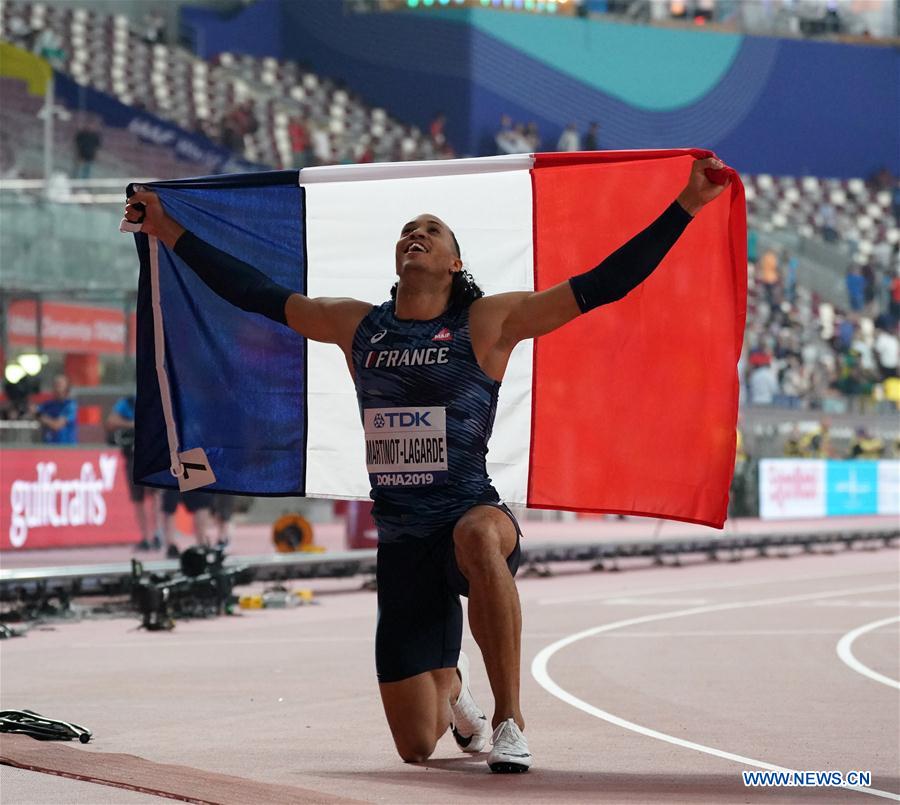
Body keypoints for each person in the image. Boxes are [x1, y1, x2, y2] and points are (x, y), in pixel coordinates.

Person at [124, 154, 729, 773]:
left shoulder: (488, 322)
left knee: (475, 533)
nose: (415, 234)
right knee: (416, 746)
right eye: (408, 230)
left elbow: (602, 284)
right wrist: (167, 229)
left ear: (454, 262)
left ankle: (509, 719)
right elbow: (255, 294)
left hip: (472, 515)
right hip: (403, 542)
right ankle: (454, 691)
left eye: (432, 230)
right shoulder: (358, 327)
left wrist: (687, 204)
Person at [106, 395, 163, 551]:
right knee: (138, 498)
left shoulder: (157, 399)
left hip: (153, 455)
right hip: (133, 455)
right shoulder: (127, 402)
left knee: (156, 496)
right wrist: (134, 424)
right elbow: (111, 422)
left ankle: (157, 533)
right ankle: (145, 537)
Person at [34, 374, 77, 444]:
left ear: (67, 387)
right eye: (55, 384)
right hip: (48, 446)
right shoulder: (48, 404)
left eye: (60, 385)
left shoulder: (70, 405)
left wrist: (42, 418)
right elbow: (34, 411)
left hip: (66, 448)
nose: (57, 387)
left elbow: (57, 425)